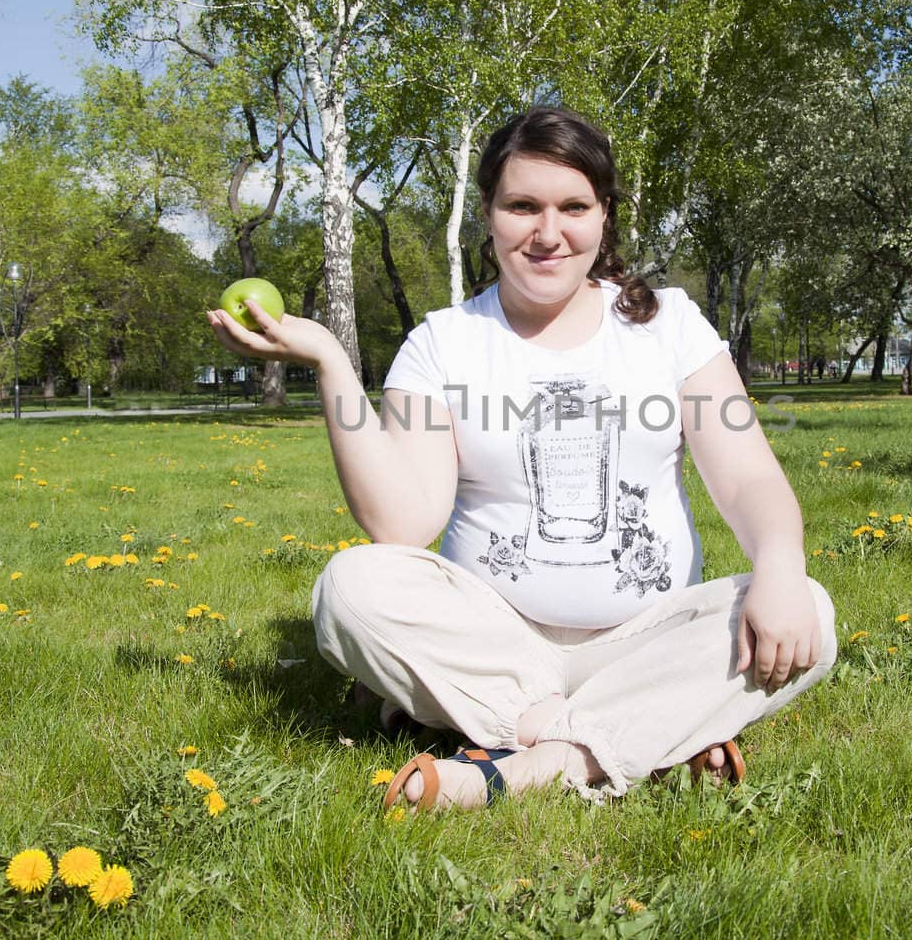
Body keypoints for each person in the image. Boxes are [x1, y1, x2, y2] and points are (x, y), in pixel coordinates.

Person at [207, 107, 836, 811]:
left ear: (604, 215)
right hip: (496, 644)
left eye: (573, 206)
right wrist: (328, 358)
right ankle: (638, 733)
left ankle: (516, 751)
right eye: (522, 206)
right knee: (349, 587)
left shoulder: (669, 325)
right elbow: (403, 521)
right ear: (488, 213)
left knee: (809, 605)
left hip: (644, 637)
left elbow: (749, 476)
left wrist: (779, 567)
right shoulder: (444, 343)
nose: (548, 233)